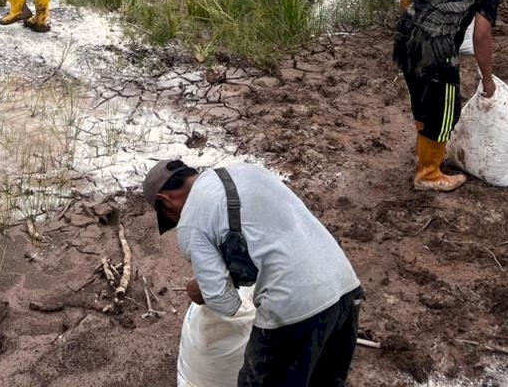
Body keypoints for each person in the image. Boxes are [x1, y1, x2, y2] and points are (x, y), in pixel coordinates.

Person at [143, 157, 363, 387]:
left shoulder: (191, 221)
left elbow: (225, 304)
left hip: (293, 310)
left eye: (171, 218)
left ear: (165, 202)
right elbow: (269, 238)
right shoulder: (247, 171)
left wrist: (203, 289)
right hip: (346, 288)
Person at [392, 0, 503, 192]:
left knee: (421, 99)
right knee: (444, 112)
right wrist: (487, 78)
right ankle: (428, 174)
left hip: (405, 36)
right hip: (436, 49)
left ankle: (425, 153)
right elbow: (481, 35)